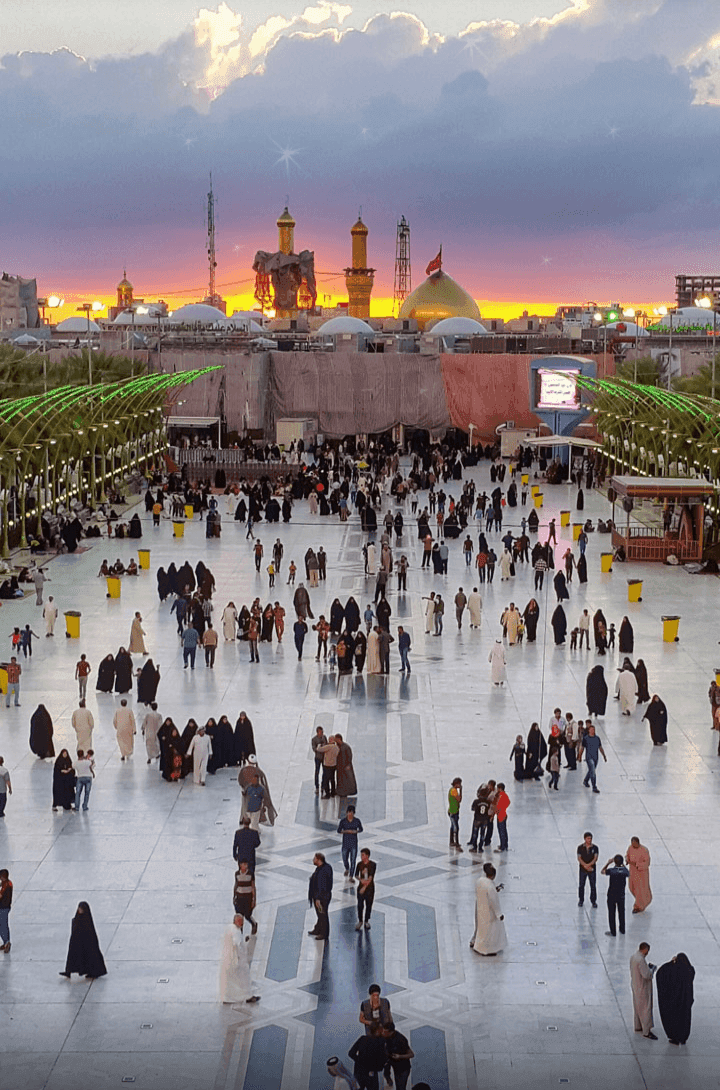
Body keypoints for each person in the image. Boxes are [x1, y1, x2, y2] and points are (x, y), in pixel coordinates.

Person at [59, 901, 107, 980]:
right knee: (72, 957)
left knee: (89, 957)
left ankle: (92, 972)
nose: (80, 910)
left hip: (86, 944)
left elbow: (89, 933)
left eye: (81, 909)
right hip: (77, 942)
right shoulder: (78, 918)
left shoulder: (87, 920)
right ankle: (68, 972)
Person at [218, 915, 260, 1004]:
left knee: (229, 982)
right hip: (236, 960)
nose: (242, 923)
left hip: (227, 960)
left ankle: (227, 998)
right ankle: (248, 996)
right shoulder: (236, 931)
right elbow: (237, 944)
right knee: (245, 979)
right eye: (241, 921)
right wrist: (242, 956)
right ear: (236, 921)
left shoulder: (229, 928)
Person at [657, 953, 695, 1045]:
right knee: (685, 1020)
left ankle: (675, 1037)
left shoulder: (673, 971)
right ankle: (683, 1038)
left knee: (675, 1019)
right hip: (686, 1001)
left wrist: (671, 962)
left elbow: (662, 972)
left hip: (675, 1002)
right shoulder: (689, 971)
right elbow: (691, 969)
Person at [470, 864, 507, 955]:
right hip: (488, 912)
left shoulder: (480, 881)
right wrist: (499, 914)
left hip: (479, 908)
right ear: (493, 875)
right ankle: (487, 950)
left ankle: (474, 942)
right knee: (488, 931)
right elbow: (494, 901)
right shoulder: (490, 886)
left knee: (479, 928)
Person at [629, 942, 658, 1039]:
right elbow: (646, 975)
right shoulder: (641, 960)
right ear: (644, 949)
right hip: (643, 987)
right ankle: (646, 1031)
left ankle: (638, 1026)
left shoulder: (633, 957)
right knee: (645, 1008)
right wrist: (652, 970)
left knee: (637, 1007)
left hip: (635, 985)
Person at [348, 1024, 387, 1090]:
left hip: (359, 1072)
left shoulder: (362, 1039)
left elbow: (351, 1053)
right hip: (371, 1073)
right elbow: (383, 1058)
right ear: (377, 1031)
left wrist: (360, 1061)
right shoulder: (381, 1041)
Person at [601, 853, 629, 936]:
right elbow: (627, 872)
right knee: (621, 912)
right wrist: (622, 864)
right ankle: (622, 929)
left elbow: (602, 871)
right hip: (621, 895)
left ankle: (613, 931)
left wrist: (608, 863)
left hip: (612, 895)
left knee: (611, 913)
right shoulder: (624, 871)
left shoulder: (612, 871)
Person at [308, 852, 333, 940]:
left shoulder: (323, 871)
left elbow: (321, 886)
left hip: (322, 898)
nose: (313, 860)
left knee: (322, 914)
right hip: (322, 897)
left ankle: (324, 933)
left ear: (319, 860)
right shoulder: (324, 868)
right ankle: (317, 929)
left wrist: (318, 899)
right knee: (320, 914)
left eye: (314, 859)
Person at [382, 1022, 414, 1090]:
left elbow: (411, 1054)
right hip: (394, 1065)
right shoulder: (386, 1038)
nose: (383, 1033)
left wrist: (400, 1056)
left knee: (400, 1087)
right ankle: (388, 1077)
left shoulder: (401, 1039)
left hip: (403, 1068)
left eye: (385, 1031)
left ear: (391, 1032)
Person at [625, 837, 652, 914]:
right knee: (632, 887)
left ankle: (638, 906)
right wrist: (627, 859)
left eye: (634, 844)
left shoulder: (644, 850)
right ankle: (640, 902)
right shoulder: (630, 848)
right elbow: (627, 855)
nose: (633, 845)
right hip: (633, 872)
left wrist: (637, 864)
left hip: (642, 873)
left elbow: (647, 862)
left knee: (640, 890)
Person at [233, 859, 258, 934]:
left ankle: (253, 924)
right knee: (239, 916)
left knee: (247, 915)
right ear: (240, 865)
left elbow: (253, 886)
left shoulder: (250, 874)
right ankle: (239, 934)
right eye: (243, 864)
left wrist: (254, 899)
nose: (245, 866)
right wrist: (234, 896)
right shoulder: (237, 874)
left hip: (248, 897)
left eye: (246, 864)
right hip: (239, 897)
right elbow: (236, 885)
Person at [578, 723, 606, 792]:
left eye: (593, 729)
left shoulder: (597, 738)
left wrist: (604, 755)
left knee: (591, 770)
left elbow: (600, 747)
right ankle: (594, 787)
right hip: (589, 757)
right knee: (593, 771)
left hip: (595, 757)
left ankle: (586, 780)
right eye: (591, 730)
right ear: (589, 731)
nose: (592, 731)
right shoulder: (586, 738)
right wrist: (580, 756)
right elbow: (582, 748)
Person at [337, 805, 363, 880]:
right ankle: (347, 868)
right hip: (345, 843)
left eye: (351, 813)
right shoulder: (343, 821)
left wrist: (356, 831)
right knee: (344, 858)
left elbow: (361, 829)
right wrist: (346, 831)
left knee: (353, 859)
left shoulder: (357, 821)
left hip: (353, 843)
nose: (350, 814)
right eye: (348, 812)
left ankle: (351, 875)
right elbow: (339, 830)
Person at [355, 848, 375, 931]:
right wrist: (360, 879)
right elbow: (356, 875)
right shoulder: (359, 864)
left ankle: (366, 920)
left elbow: (370, 877)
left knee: (369, 904)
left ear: (367, 856)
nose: (361, 857)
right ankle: (360, 920)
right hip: (361, 886)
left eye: (363, 855)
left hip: (369, 888)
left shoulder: (372, 865)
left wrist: (364, 886)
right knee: (360, 904)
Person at [577, 831, 599, 908]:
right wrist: (585, 866)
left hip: (592, 869)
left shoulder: (595, 848)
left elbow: (595, 858)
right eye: (588, 838)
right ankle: (581, 900)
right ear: (585, 839)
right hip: (583, 869)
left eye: (590, 838)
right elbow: (579, 858)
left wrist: (589, 865)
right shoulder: (580, 847)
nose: (589, 840)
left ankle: (593, 901)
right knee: (581, 885)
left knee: (593, 885)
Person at [494, 782, 510, 852]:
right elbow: (508, 802)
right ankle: (505, 844)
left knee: (501, 831)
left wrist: (497, 812)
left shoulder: (501, 796)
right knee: (504, 830)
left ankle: (502, 846)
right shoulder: (505, 795)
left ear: (500, 788)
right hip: (504, 814)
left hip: (501, 815)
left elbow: (498, 806)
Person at [448, 776, 463, 851]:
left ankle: (451, 841)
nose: (460, 785)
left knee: (452, 827)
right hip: (453, 812)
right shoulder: (454, 791)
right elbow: (459, 799)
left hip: (452, 810)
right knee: (456, 828)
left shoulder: (452, 790)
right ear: (456, 784)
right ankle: (456, 844)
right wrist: (461, 791)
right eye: (459, 784)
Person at [0, 868, 12, 952]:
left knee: (3, 926)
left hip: (3, 907)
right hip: (6, 906)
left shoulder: (5, 885)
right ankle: (5, 942)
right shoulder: (9, 883)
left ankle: (7, 943)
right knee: (3, 925)